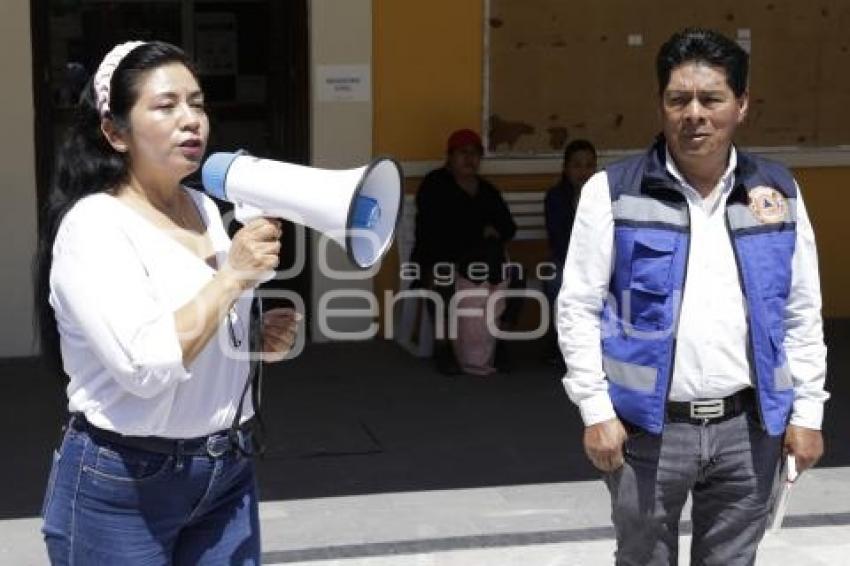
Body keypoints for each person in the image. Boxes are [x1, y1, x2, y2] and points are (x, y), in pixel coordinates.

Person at [557, 28, 828, 565]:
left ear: (742, 105)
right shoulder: (612, 192)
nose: (694, 114)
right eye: (678, 99)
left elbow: (801, 312)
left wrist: (809, 414)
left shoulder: (777, 194)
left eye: (712, 99)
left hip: (747, 431)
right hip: (646, 433)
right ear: (661, 105)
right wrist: (594, 410)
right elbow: (578, 307)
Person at [34, 41, 298, 565]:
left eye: (197, 103)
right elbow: (147, 365)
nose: (191, 120)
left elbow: (205, 326)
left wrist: (256, 337)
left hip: (227, 469)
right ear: (114, 132)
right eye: (166, 105)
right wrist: (233, 278)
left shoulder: (202, 206)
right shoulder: (94, 227)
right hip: (123, 484)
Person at [411, 129, 518, 375]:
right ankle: (443, 347)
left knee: (516, 277)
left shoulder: (487, 190)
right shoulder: (435, 184)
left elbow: (508, 227)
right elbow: (436, 229)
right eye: (463, 153)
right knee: (442, 278)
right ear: (450, 156)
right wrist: (480, 229)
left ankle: (498, 342)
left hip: (478, 259)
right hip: (439, 255)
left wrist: (485, 231)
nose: (470, 159)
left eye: (475, 154)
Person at [543, 139, 597, 367]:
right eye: (577, 165)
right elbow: (559, 239)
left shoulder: (603, 196)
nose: (583, 172)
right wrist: (576, 204)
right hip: (565, 261)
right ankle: (560, 345)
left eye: (588, 165)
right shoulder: (555, 197)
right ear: (565, 168)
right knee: (555, 281)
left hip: (599, 264)